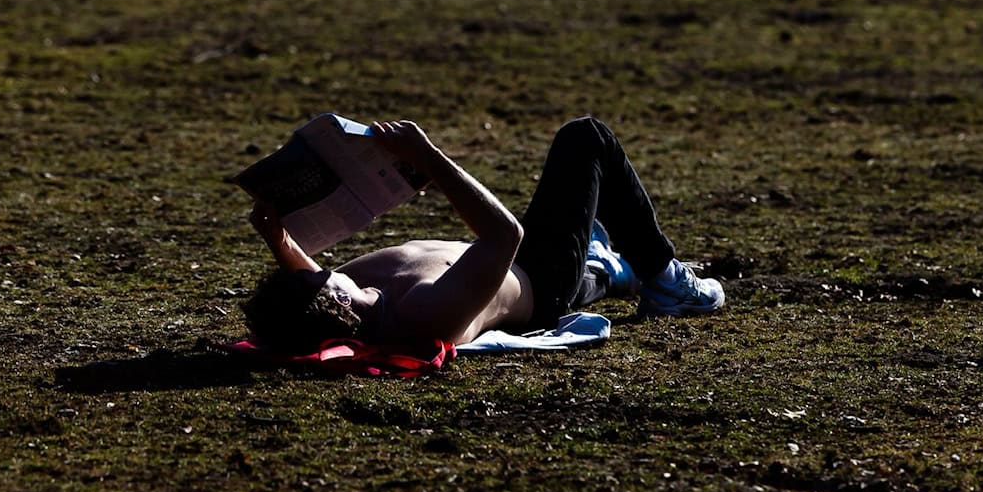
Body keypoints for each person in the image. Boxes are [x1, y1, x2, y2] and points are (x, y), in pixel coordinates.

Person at [243, 116, 724, 353]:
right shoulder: (420, 315)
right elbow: (502, 234)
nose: (325, 268)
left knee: (593, 251)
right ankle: (666, 283)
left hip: (513, 263)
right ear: (341, 304)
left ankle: (603, 263)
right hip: (539, 271)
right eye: (327, 277)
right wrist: (426, 156)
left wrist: (279, 239)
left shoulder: (352, 300)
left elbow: (314, 293)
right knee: (586, 138)